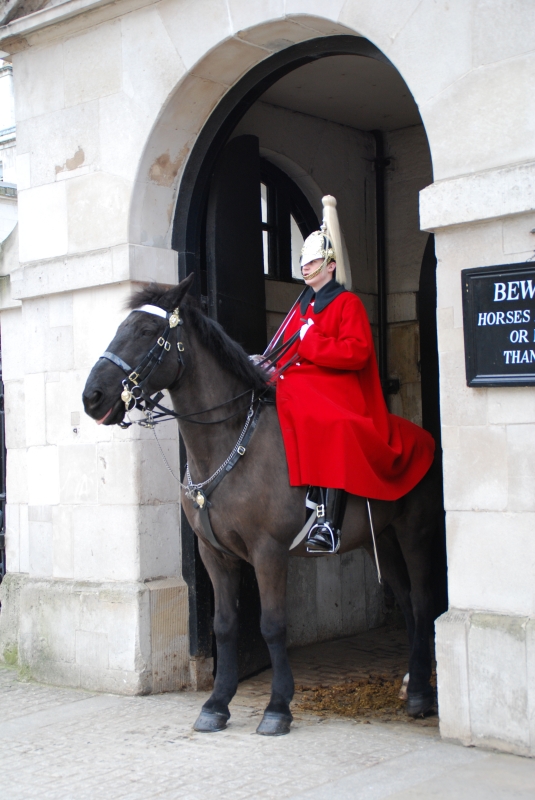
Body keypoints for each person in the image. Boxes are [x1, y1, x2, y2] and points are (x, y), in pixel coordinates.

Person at [274, 196, 435, 554]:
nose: (306, 266)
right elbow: (285, 353)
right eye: (304, 261)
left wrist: (310, 339)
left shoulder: (347, 304)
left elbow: (356, 352)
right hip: (301, 383)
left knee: (335, 423)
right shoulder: (299, 308)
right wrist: (267, 364)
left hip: (339, 388)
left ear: (330, 266)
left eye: (314, 260)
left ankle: (329, 524)